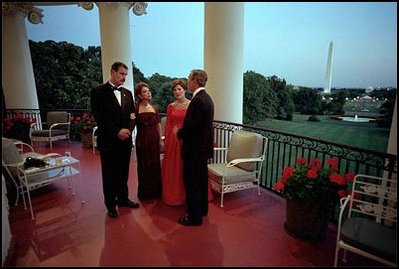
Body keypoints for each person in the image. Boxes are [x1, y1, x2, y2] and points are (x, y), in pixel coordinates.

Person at [90, 61, 139, 219]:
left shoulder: (128, 93)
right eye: (121, 74)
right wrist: (117, 131)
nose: (124, 77)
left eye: (125, 75)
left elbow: (132, 116)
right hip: (109, 141)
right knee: (109, 174)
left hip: (125, 141)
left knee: (123, 173)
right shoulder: (98, 91)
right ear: (112, 72)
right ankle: (110, 205)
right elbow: (100, 117)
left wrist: (129, 130)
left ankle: (123, 199)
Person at [177, 69, 214, 226]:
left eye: (189, 78)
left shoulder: (198, 100)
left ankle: (194, 217)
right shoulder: (207, 98)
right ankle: (202, 210)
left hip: (194, 150)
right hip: (202, 150)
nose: (187, 81)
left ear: (195, 80)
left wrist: (179, 132)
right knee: (200, 182)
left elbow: (192, 127)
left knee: (192, 183)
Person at [161, 79, 190, 206]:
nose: (177, 92)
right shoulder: (170, 106)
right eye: (175, 90)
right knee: (174, 167)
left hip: (186, 139)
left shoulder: (191, 104)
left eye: (179, 89)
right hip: (173, 140)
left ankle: (187, 194)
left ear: (184, 90)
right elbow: (168, 124)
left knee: (186, 167)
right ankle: (173, 194)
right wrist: (167, 139)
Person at [134, 82, 163, 200]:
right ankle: (145, 193)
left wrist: (161, 140)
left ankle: (156, 192)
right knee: (143, 165)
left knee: (155, 164)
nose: (148, 93)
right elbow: (131, 124)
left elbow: (158, 125)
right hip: (141, 140)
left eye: (148, 90)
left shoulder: (154, 108)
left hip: (154, 140)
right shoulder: (135, 109)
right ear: (140, 96)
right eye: (145, 91)